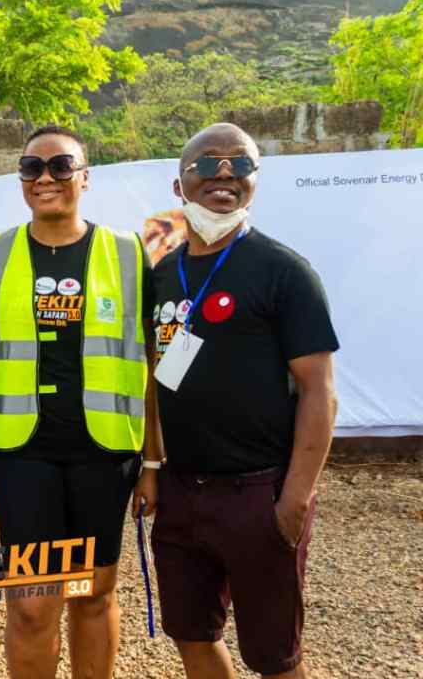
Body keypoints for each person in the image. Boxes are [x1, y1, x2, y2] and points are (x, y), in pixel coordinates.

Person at [0, 125, 163, 679]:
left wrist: (153, 463)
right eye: (31, 168)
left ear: (85, 177)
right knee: (31, 604)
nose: (45, 177)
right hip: (23, 457)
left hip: (104, 453)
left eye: (61, 166)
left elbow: (149, 366)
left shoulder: (128, 253)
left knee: (92, 594)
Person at [149, 123, 339, 679]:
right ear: (179, 184)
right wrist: (154, 468)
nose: (225, 174)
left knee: (274, 657)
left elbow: (319, 391)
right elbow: (153, 379)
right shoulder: (163, 274)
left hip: (258, 490)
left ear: (256, 180)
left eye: (241, 164)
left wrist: (295, 498)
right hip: (182, 491)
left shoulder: (284, 271)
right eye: (208, 164)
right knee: (191, 636)